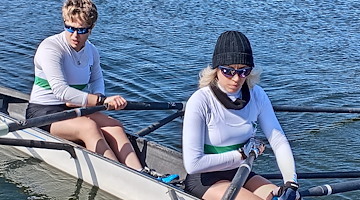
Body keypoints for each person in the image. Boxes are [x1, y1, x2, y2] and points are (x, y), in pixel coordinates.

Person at [182, 31, 301, 200]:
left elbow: (278, 140)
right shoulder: (200, 101)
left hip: (241, 171)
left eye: (244, 71)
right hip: (204, 179)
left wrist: (291, 183)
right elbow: (193, 164)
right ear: (216, 69)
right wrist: (241, 155)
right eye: (228, 71)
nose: (236, 78)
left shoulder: (257, 95)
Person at [26, 0, 142, 171]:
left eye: (81, 30)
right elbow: (61, 91)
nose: (75, 35)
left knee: (115, 126)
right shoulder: (50, 48)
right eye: (70, 28)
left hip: (72, 107)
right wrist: (102, 100)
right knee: (89, 127)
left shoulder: (92, 51)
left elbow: (96, 80)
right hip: (43, 112)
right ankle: (119, 174)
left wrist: (99, 100)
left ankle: (141, 172)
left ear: (91, 28)